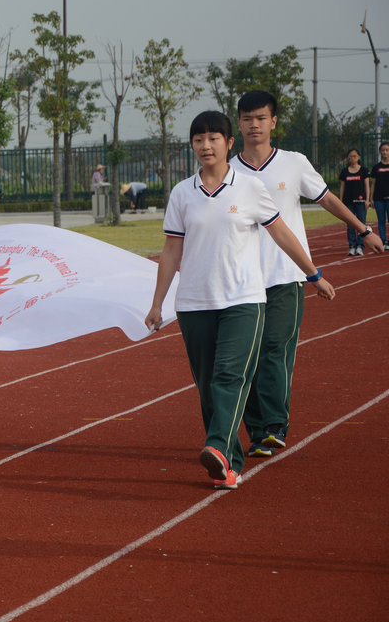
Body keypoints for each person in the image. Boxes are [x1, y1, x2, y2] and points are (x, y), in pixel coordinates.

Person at [145, 110, 334, 490]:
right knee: (208, 386)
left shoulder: (248, 187)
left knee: (231, 375)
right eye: (199, 139)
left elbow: (281, 234)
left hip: (244, 300)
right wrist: (157, 303)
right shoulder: (182, 193)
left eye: (214, 138)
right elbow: (170, 252)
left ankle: (215, 445)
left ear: (229, 144)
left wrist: (312, 273)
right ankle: (228, 464)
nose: (206, 145)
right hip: (195, 304)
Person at [229, 91, 381, 457]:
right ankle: (257, 430)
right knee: (243, 360)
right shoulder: (228, 170)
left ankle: (275, 424)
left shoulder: (293, 163)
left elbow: (327, 198)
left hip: (285, 275)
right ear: (238, 123)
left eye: (261, 118)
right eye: (247, 118)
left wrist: (364, 229)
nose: (254, 125)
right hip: (241, 281)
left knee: (274, 351)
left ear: (274, 122)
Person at [338, 148, 371, 256]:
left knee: (361, 224)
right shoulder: (344, 171)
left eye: (354, 156)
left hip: (361, 202)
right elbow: (342, 187)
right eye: (350, 156)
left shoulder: (363, 170)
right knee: (350, 225)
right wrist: (341, 201)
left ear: (359, 157)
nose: (352, 158)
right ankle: (352, 246)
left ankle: (360, 246)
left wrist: (367, 200)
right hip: (348, 202)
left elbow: (367, 186)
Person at [371, 141, 389, 247]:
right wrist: (371, 198)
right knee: (381, 220)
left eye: (387, 150)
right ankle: (383, 240)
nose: (385, 152)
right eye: (383, 150)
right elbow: (373, 184)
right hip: (379, 198)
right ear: (380, 152)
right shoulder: (376, 167)